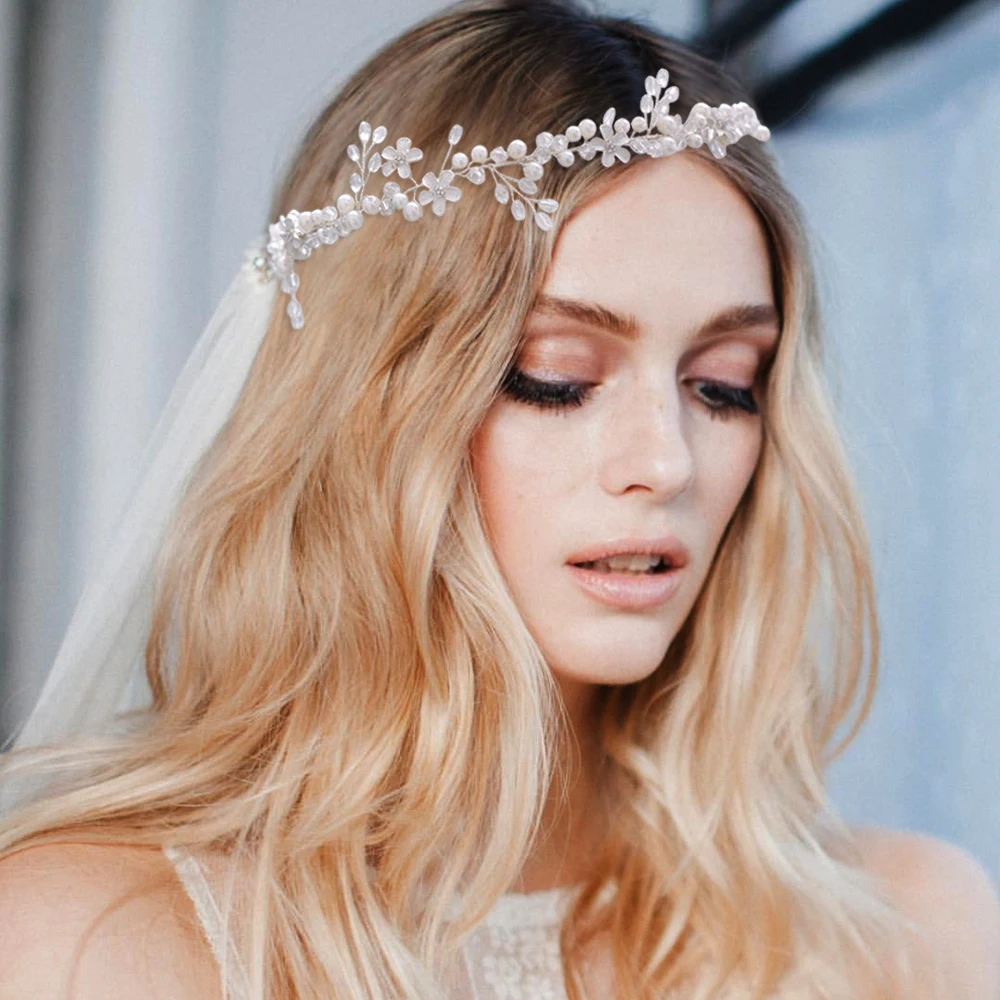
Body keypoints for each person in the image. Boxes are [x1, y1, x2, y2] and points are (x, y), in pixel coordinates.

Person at [0, 1, 997, 998]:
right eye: (554, 375)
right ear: (366, 409)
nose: (668, 460)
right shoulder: (95, 936)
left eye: (724, 383)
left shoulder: (908, 928)